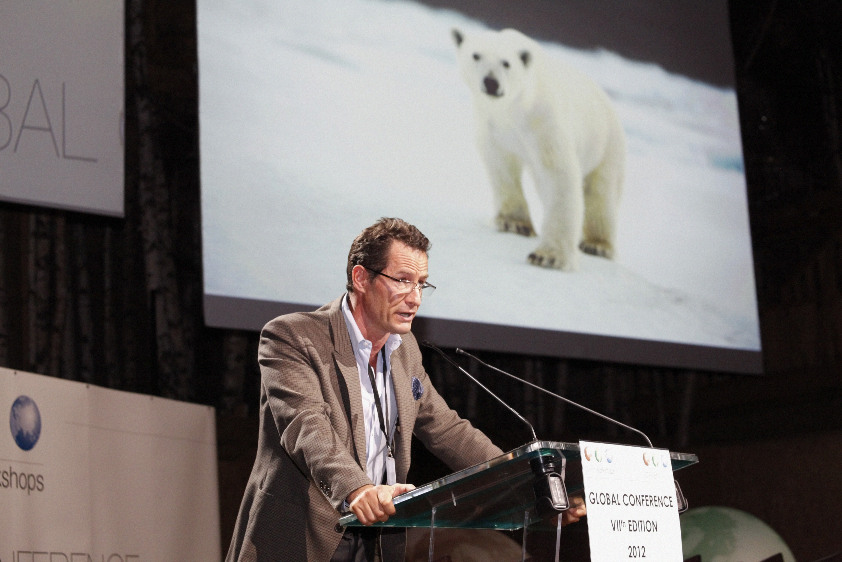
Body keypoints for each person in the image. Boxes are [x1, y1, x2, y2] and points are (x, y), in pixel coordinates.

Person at [225, 217, 585, 562]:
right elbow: (306, 427)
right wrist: (358, 489)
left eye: (422, 283)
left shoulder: (405, 349)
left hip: (379, 536)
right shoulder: (293, 336)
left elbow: (447, 429)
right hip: (303, 534)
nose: (415, 297)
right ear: (361, 277)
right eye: (403, 280)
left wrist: (529, 488)